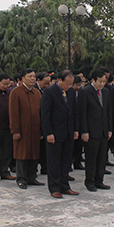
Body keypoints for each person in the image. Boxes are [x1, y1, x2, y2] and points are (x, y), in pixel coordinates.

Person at [41, 70, 80, 198]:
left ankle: (65, 186)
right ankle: (54, 187)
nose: (69, 86)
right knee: (54, 161)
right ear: (59, 80)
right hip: (55, 133)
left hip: (68, 132)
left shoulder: (71, 92)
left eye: (71, 84)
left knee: (66, 160)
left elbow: (74, 112)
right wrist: (49, 133)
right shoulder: (49, 92)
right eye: (67, 84)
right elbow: (45, 115)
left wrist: (75, 130)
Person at [78, 68, 112, 192]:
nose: (102, 84)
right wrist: (84, 131)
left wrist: (109, 129)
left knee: (102, 157)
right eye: (100, 81)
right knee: (91, 158)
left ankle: (99, 180)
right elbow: (82, 114)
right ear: (93, 80)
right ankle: (89, 181)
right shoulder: (85, 92)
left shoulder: (107, 92)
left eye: (104, 81)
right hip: (91, 131)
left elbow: (108, 111)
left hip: (103, 130)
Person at [9, 68, 44, 190]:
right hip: (22, 130)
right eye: (30, 76)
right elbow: (13, 113)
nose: (32, 79)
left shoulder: (37, 93)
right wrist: (15, 131)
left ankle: (32, 177)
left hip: (34, 129)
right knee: (22, 155)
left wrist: (41, 129)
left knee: (34, 154)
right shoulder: (16, 92)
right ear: (23, 78)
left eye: (34, 76)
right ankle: (21, 179)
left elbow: (40, 113)